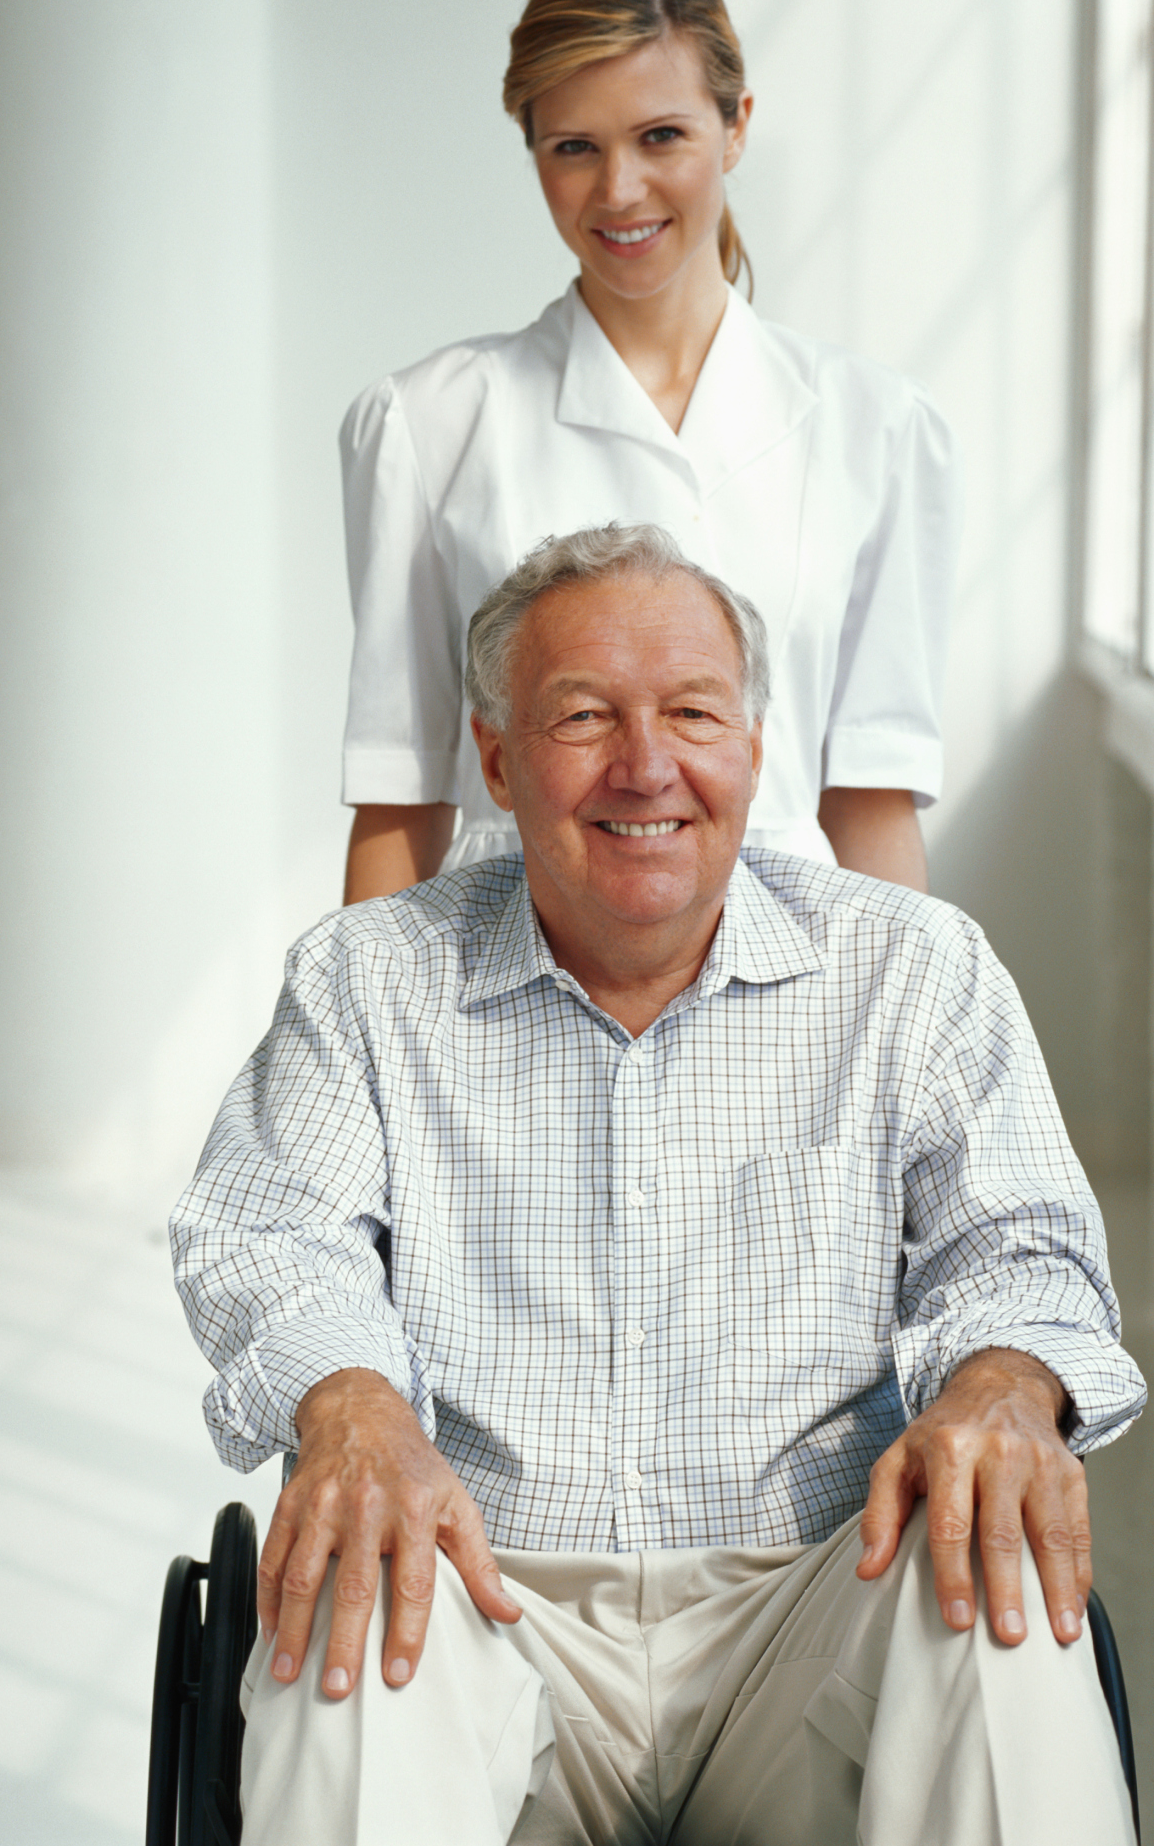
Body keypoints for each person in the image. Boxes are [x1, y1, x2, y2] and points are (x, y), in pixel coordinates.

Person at [172, 525, 1145, 1845]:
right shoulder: (365, 980)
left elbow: (1021, 1240)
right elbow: (270, 1231)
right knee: (348, 1616)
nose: (646, 765)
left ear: (750, 748)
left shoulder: (912, 969)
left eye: (691, 712)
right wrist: (346, 1403)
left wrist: (997, 1382)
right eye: (582, 716)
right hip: (482, 1598)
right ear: (499, 761)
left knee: (999, 1586)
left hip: (807, 1591)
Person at [341, 0, 961, 905]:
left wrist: (918, 1043)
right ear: (533, 153)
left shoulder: (875, 429)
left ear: (736, 126)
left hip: (790, 979)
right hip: (504, 981)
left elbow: (871, 801)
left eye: (660, 136)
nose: (619, 190)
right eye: (574, 147)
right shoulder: (426, 426)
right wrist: (364, 1043)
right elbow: (399, 799)